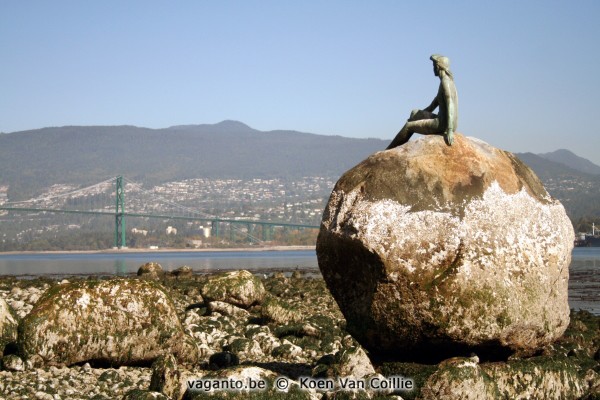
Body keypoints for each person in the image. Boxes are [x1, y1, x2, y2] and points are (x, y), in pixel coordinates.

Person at [387, 54, 458, 149]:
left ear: (438, 66)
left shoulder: (446, 83)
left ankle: (390, 149)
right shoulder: (445, 82)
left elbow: (450, 105)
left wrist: (449, 130)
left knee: (408, 126)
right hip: (443, 120)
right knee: (414, 113)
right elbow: (431, 107)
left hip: (443, 124)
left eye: (433, 66)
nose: (433, 69)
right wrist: (416, 116)